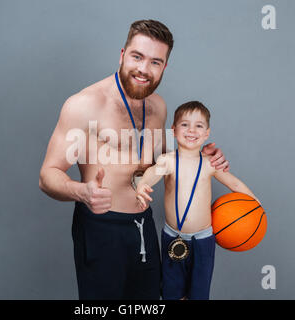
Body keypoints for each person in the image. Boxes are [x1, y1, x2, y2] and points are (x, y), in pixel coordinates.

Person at [39, 20, 230, 300]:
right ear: (122, 55)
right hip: (101, 228)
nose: (143, 69)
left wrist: (199, 158)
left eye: (155, 62)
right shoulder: (84, 104)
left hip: (144, 224)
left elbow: (165, 165)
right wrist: (81, 192)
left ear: (164, 67)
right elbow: (48, 175)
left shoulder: (158, 107)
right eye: (137, 57)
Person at [135, 101, 261, 300]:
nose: (191, 130)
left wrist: (257, 206)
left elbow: (236, 185)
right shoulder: (168, 160)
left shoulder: (211, 164)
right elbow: (153, 172)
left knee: (199, 294)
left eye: (199, 126)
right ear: (174, 130)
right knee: (171, 292)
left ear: (206, 133)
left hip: (203, 240)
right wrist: (143, 184)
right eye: (185, 125)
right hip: (172, 237)